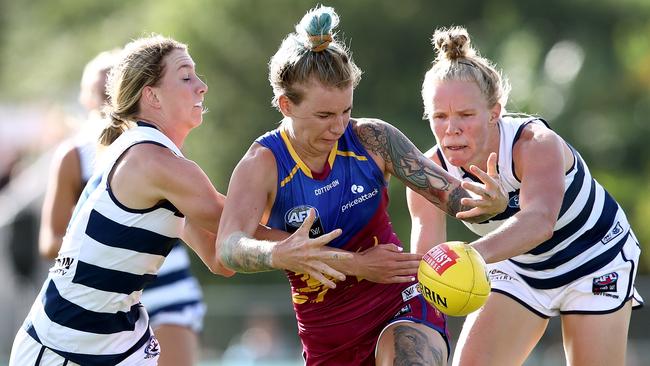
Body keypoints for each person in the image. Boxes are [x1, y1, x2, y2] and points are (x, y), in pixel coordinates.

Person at [215, 6, 508, 366]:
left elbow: (451, 195)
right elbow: (228, 246)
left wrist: (491, 202)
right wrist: (288, 255)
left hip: (400, 299)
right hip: (328, 332)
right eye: (324, 115)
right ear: (286, 105)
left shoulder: (372, 138)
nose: (338, 127)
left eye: (345, 111)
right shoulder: (263, 164)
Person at [8, 34, 290, 366]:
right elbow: (233, 231)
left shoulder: (159, 157)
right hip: (65, 349)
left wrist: (294, 243)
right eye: (186, 77)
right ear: (152, 96)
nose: (202, 86)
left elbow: (220, 258)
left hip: (111, 344)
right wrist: (329, 250)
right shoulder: (153, 160)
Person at [407, 26, 644, 366]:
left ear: (494, 112)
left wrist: (464, 260)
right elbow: (428, 266)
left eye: (466, 115)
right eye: (440, 116)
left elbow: (538, 222)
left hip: (595, 259)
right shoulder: (429, 172)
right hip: (520, 267)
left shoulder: (535, 143)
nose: (451, 129)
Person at [37, 49, 206, 366]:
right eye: (99, 91)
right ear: (87, 100)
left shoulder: (156, 145)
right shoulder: (75, 156)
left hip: (166, 285)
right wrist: (108, 248)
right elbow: (49, 240)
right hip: (104, 294)